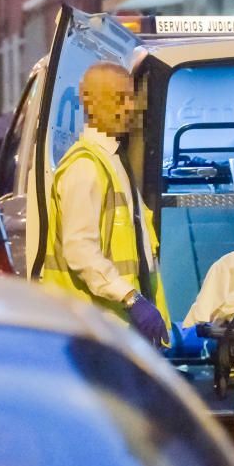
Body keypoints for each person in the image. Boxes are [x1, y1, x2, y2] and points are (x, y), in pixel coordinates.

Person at [39, 61, 170, 347]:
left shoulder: (113, 161)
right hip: (93, 326)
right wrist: (131, 298)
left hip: (116, 328)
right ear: (89, 102)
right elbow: (80, 251)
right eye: (118, 98)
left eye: (130, 97)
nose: (129, 107)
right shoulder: (85, 167)